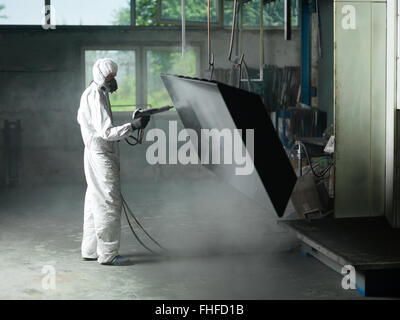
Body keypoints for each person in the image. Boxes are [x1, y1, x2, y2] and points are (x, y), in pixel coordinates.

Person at [77, 58, 150, 265]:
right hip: (101, 155)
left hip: (95, 152)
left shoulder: (97, 92)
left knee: (93, 201)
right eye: (109, 77)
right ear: (101, 76)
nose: (112, 80)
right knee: (109, 202)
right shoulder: (95, 96)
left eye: (114, 77)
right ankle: (108, 255)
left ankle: (90, 250)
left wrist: (133, 120)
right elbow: (107, 132)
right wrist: (133, 126)